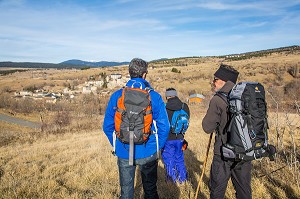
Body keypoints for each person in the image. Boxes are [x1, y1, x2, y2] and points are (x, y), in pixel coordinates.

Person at [103, 58, 170, 199]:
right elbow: (165, 127)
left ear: (130, 73)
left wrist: (117, 144)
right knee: (150, 191)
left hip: (124, 150)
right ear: (144, 74)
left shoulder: (117, 96)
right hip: (148, 151)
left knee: (126, 193)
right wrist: (156, 147)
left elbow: (107, 126)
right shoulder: (154, 97)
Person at [202, 64, 252, 199]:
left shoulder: (217, 100)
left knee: (217, 190)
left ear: (224, 81)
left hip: (223, 153)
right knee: (244, 190)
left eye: (215, 79)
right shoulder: (246, 96)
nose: (213, 82)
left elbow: (207, 127)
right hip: (245, 150)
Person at [161, 88, 190, 183]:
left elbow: (162, 124)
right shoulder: (184, 106)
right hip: (180, 138)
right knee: (179, 159)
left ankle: (172, 181)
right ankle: (182, 179)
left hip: (167, 139)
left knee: (169, 159)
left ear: (167, 96)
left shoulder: (164, 107)